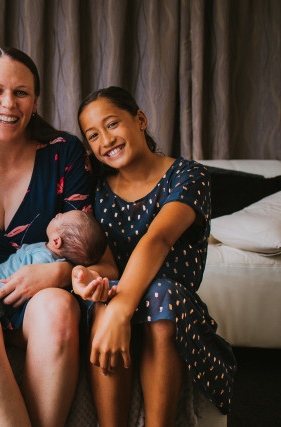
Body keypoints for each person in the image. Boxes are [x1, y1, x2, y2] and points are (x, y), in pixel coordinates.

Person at [0, 47, 118, 427]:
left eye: (21, 92)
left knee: (58, 310)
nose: (9, 104)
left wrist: (59, 273)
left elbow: (103, 261)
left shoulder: (65, 155)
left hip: (44, 296)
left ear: (35, 101)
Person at [73, 86, 236, 425]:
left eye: (112, 124)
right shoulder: (97, 187)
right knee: (102, 302)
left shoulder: (189, 175)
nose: (106, 140)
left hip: (169, 303)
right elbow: (102, 260)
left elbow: (157, 240)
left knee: (162, 294)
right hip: (115, 293)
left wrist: (120, 311)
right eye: (93, 135)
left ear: (140, 120)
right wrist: (87, 280)